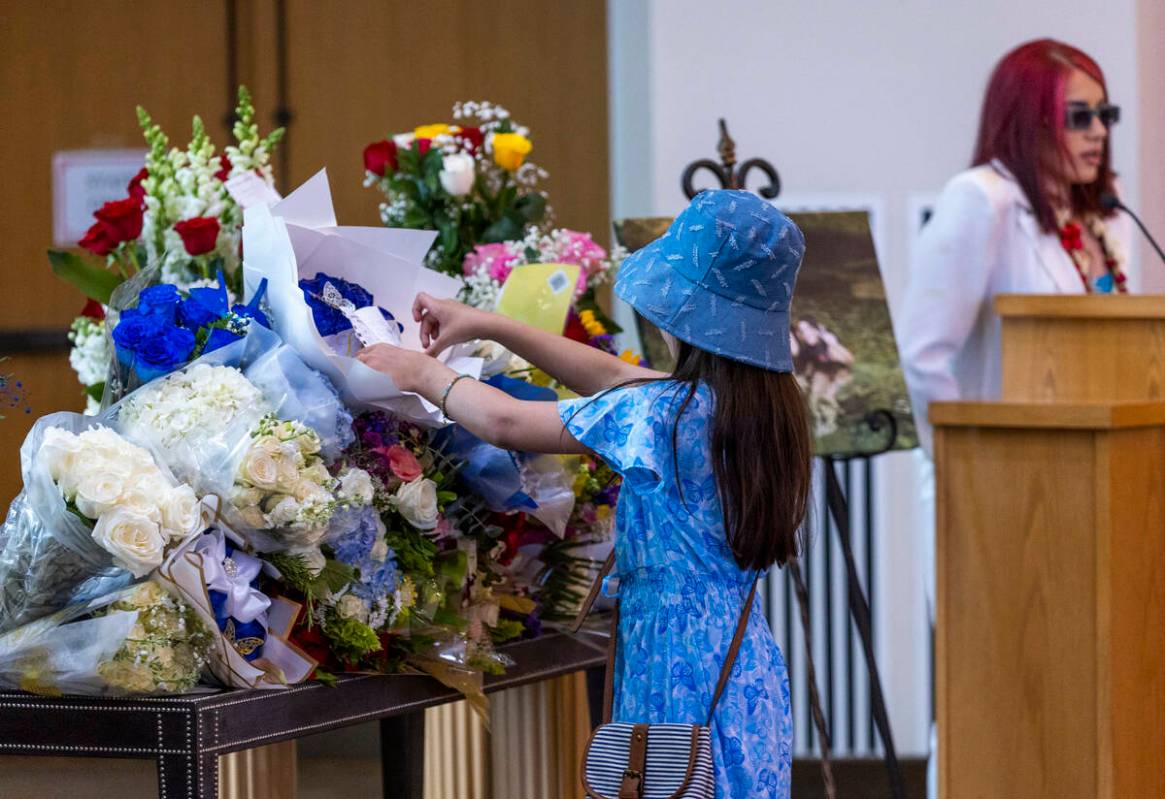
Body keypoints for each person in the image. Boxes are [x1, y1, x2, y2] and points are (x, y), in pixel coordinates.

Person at [358, 189, 812, 799]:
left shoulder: (662, 417)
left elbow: (507, 424)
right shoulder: (752, 411)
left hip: (673, 673)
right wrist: (490, 324)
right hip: (743, 671)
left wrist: (421, 373)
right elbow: (618, 377)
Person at [895, 38, 1133, 799]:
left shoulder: (1102, 218)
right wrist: (973, 467)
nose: (1097, 130)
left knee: (1079, 686)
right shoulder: (981, 200)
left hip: (1088, 488)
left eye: (1104, 113)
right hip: (987, 493)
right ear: (1027, 118)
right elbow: (921, 356)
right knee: (986, 684)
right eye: (1078, 115)